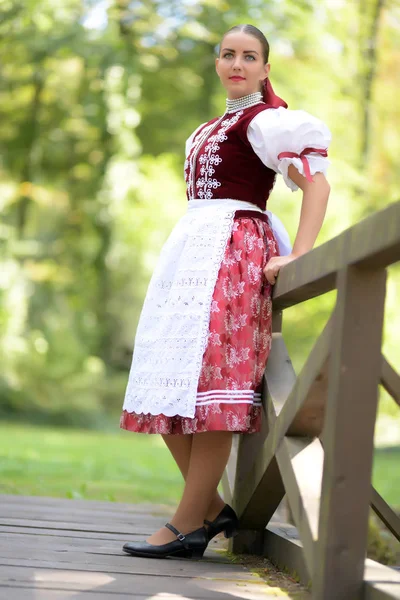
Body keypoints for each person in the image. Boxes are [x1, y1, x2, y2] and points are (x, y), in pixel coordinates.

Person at [120, 23, 331, 560]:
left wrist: (300, 253)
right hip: (189, 254)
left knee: (211, 383)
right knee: (163, 380)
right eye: (228, 55)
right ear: (218, 63)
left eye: (249, 56)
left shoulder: (267, 124)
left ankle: (187, 524)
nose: (237, 64)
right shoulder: (208, 127)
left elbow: (317, 183)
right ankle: (212, 509)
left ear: (264, 68)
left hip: (233, 254)